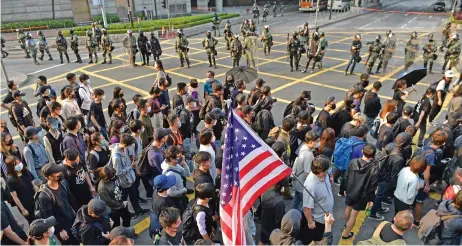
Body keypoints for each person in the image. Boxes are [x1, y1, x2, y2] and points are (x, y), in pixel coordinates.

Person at [370, 132, 412, 220]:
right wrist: (393, 188)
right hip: (386, 178)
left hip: (382, 173)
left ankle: (378, 207)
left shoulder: (390, 145)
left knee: (380, 194)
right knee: (380, 195)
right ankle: (373, 212)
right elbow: (394, 175)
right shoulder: (399, 159)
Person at [341, 143, 378, 240]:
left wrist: (344, 188)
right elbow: (372, 187)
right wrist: (371, 199)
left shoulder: (352, 162)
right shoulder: (374, 169)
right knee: (354, 215)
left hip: (350, 191)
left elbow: (345, 176)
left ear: (362, 151)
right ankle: (346, 234)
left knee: (348, 208)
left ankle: (346, 224)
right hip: (362, 195)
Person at [37, 163, 79, 245]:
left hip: (72, 219)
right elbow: (48, 216)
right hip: (62, 227)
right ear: (49, 177)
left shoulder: (63, 183)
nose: (60, 174)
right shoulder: (44, 196)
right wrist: (60, 230)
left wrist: (78, 215)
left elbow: (71, 200)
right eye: (57, 174)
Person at [111, 134, 150, 218]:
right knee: (124, 199)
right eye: (130, 145)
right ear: (125, 145)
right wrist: (130, 168)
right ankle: (126, 214)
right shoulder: (116, 157)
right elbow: (118, 173)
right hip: (123, 182)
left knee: (134, 195)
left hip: (130, 178)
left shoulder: (125, 149)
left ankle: (138, 210)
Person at [415, 130, 448, 226]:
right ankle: (416, 221)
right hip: (421, 178)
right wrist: (427, 184)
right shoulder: (432, 155)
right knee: (420, 201)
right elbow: (427, 172)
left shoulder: (427, 144)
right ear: (443, 143)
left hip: (416, 173)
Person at [301, 157, 334, 245]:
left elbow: (329, 172)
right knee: (306, 241)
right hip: (316, 221)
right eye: (327, 170)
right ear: (321, 171)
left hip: (324, 218)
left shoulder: (325, 174)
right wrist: (310, 222)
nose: (328, 172)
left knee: (318, 238)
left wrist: (331, 176)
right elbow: (307, 208)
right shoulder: (311, 186)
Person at [291, 131, 317, 210]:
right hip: (303, 184)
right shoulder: (308, 154)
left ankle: (293, 214)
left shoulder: (302, 147)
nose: (317, 143)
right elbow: (307, 173)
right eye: (316, 141)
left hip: (297, 180)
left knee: (296, 200)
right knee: (305, 204)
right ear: (311, 142)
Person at [5, 156, 36, 224]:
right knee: (33, 222)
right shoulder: (10, 180)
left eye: (19, 162)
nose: (19, 165)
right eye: (16, 164)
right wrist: (23, 209)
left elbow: (33, 185)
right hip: (25, 205)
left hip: (34, 200)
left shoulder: (26, 172)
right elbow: (14, 196)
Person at [163, 146, 190, 213]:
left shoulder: (176, 165)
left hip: (181, 196)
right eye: (178, 157)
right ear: (172, 159)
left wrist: (184, 163)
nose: (180, 158)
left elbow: (187, 174)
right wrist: (184, 190)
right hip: (176, 200)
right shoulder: (169, 174)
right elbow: (171, 193)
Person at [259, 180, 286, 244]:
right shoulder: (279, 202)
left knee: (262, 242)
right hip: (274, 231)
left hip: (264, 226)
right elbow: (279, 221)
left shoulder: (264, 193)